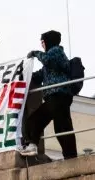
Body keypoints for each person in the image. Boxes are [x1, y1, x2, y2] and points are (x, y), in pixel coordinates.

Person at [19, 30, 77, 159]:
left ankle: (32, 145)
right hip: (58, 96)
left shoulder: (56, 51)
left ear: (48, 41)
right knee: (62, 128)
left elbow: (47, 60)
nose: (42, 45)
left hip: (58, 95)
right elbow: (39, 75)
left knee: (36, 120)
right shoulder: (53, 58)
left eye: (43, 42)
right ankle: (71, 156)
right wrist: (23, 75)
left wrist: (35, 53)